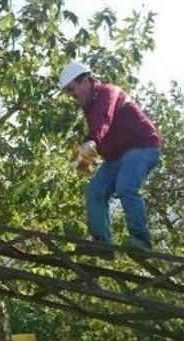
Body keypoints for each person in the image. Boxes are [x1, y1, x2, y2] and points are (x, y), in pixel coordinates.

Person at [58, 61, 161, 257]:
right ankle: (102, 245)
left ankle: (141, 241)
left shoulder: (108, 92)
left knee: (126, 187)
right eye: (68, 93)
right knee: (94, 192)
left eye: (72, 89)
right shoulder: (89, 107)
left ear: (86, 81)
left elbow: (103, 119)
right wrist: (85, 159)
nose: (72, 95)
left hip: (141, 147)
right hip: (116, 157)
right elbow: (102, 132)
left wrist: (92, 141)